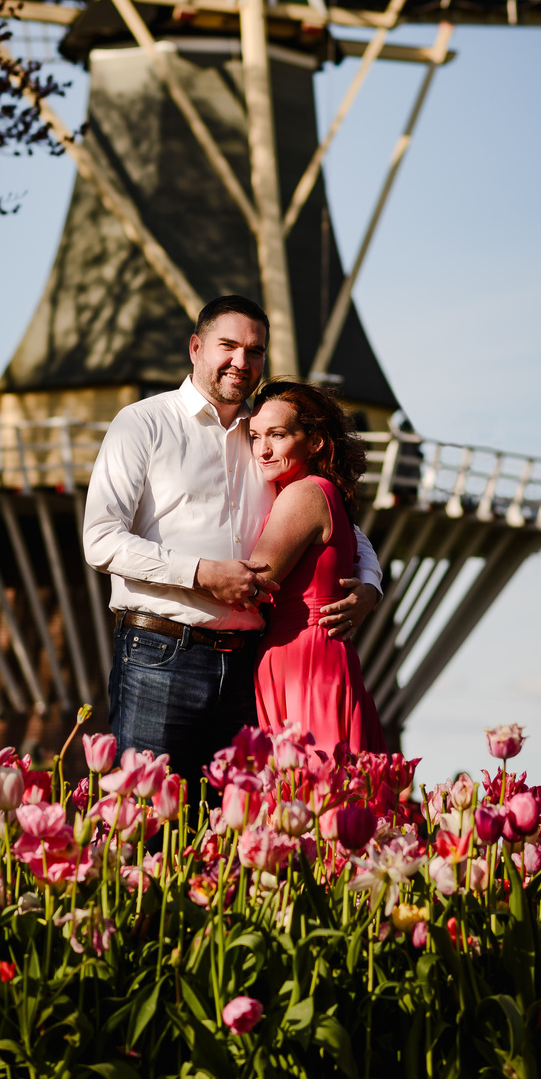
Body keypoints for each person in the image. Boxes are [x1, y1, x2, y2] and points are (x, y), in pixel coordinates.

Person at [83, 295, 383, 806]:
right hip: (162, 656)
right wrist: (200, 574)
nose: (241, 362)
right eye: (228, 345)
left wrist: (371, 583)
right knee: (147, 829)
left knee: (235, 840)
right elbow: (100, 538)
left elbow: (333, 513)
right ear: (197, 348)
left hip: (248, 669)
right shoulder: (144, 424)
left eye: (255, 350)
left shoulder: (264, 433)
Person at [249, 380, 386, 753]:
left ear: (315, 441)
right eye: (254, 436)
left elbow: (257, 580)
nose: (262, 450)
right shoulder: (322, 490)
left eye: (277, 435)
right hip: (314, 652)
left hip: (302, 658)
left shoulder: (303, 493)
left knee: (309, 789)